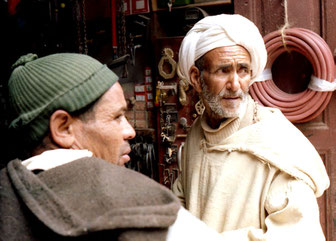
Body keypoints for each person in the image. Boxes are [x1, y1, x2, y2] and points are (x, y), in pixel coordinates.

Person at [0, 53, 224, 241]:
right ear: (63, 128)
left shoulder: (7, 198)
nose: (130, 132)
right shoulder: (139, 202)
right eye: (116, 117)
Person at [173, 13, 330, 240]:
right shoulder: (198, 133)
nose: (235, 85)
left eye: (243, 71)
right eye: (223, 70)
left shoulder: (277, 144)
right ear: (196, 78)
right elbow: (182, 202)